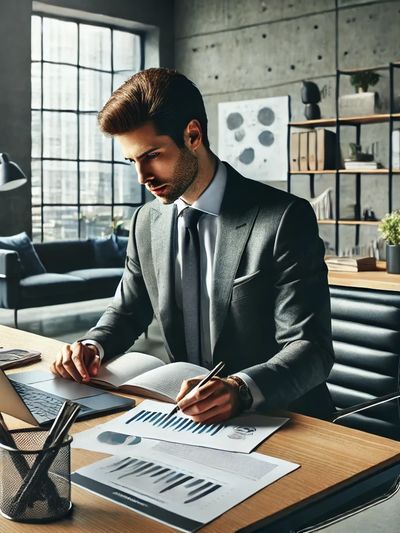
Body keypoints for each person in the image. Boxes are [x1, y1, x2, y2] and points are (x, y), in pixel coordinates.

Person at [50, 68, 334, 423]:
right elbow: (127, 311)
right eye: (132, 161)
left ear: (193, 135)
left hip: (285, 420)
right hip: (186, 417)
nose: (142, 177)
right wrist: (91, 346)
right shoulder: (146, 222)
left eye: (152, 155)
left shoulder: (283, 219)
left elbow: (311, 349)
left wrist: (241, 389)